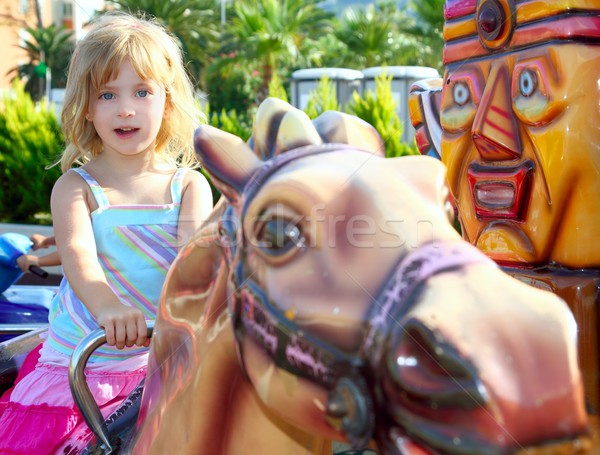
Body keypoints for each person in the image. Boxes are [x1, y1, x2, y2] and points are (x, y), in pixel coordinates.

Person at [0, 11, 212, 453]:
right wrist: (110, 309)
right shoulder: (77, 187)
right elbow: (78, 257)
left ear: (166, 102)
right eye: (108, 94)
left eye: (142, 91)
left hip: (160, 356)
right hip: (87, 356)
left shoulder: (188, 185)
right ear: (88, 107)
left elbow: (193, 263)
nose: (126, 108)